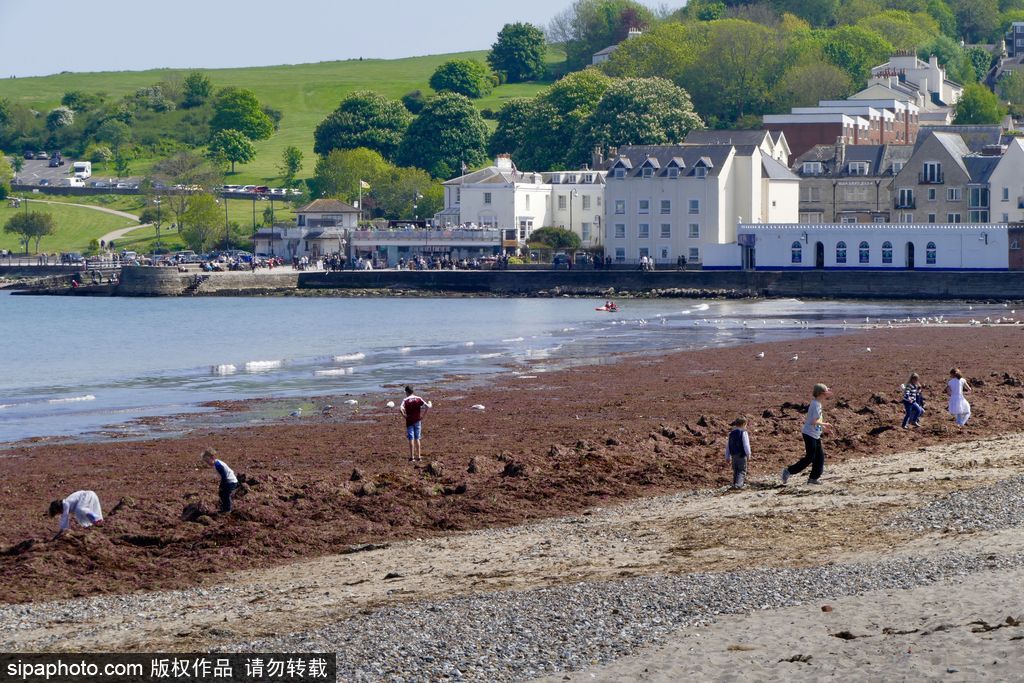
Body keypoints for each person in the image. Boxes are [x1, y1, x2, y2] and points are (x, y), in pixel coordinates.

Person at [781, 383, 832, 485]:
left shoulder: (816, 403)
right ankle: (788, 471)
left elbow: (816, 421)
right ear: (822, 393)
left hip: (814, 434)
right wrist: (825, 424)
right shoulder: (816, 405)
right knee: (810, 457)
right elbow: (813, 421)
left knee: (819, 458)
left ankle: (813, 479)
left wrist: (823, 429)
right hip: (809, 434)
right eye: (826, 391)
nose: (828, 393)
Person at [400, 386, 432, 463]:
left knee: (411, 438)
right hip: (417, 420)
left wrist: (404, 415)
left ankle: (412, 457)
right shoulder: (418, 398)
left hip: (409, 421)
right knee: (417, 438)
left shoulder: (405, 400)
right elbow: (427, 406)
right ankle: (419, 457)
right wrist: (423, 416)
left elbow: (400, 408)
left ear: (407, 392)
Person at [202, 448, 239, 513]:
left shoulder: (218, 465)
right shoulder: (217, 463)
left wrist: (221, 486)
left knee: (225, 495)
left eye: (208, 461)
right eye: (206, 462)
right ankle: (224, 507)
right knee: (222, 494)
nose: (207, 463)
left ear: (212, 458)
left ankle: (228, 509)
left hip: (231, 481)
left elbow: (224, 477)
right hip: (229, 481)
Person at [725, 417, 752, 489]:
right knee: (741, 470)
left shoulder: (731, 433)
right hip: (741, 455)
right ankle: (739, 484)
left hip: (733, 455)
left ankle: (735, 483)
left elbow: (728, 446)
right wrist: (748, 454)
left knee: (735, 470)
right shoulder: (743, 432)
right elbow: (746, 444)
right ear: (744, 424)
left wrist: (727, 457)